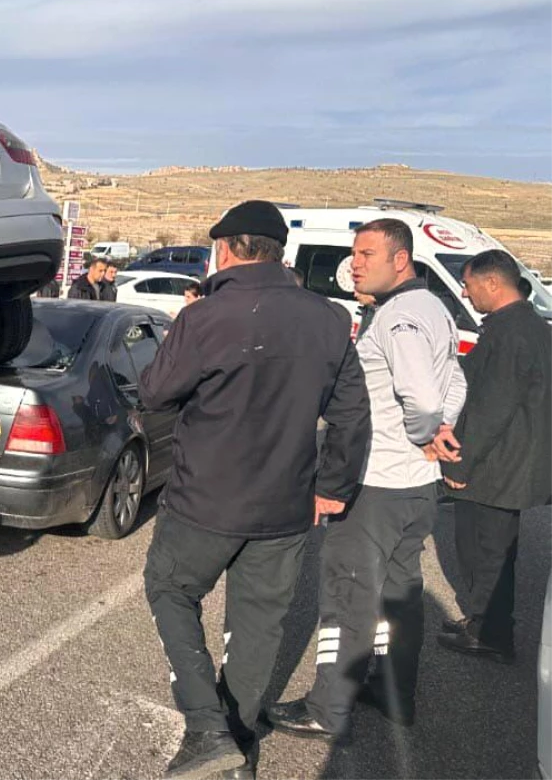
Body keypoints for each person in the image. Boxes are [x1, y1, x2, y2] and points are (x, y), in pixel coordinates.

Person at [140, 200, 371, 779]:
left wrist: (182, 327)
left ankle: (205, 727)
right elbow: (352, 414)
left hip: (205, 500)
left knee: (169, 588)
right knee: (258, 627)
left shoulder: (207, 316)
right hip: (285, 505)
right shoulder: (327, 318)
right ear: (280, 252)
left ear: (228, 248)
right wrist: (334, 487)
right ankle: (237, 751)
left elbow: (156, 393)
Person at [268, 218, 466, 740]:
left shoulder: (399, 319)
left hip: (377, 481)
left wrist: (426, 428)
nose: (354, 263)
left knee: (348, 595)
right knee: (399, 592)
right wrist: (438, 430)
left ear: (400, 259)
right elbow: (457, 381)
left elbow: (421, 397)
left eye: (366, 254)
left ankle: (328, 709)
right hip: (416, 485)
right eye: (354, 253)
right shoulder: (434, 311)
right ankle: (396, 693)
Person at [439, 250, 552, 663]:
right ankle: (482, 621)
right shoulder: (528, 324)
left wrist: (459, 464)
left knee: (484, 553)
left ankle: (491, 634)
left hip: (496, 467)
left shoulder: (509, 334)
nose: (466, 295)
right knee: (494, 551)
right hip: (513, 463)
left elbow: (491, 408)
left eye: (468, 286)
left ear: (492, 283)